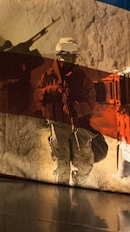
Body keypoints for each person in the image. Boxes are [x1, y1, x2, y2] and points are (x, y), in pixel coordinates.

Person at [39, 37, 98, 185]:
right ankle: (63, 196)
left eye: (69, 58)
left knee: (83, 165)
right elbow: (36, 95)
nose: (65, 61)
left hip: (79, 126)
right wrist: (50, 91)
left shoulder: (83, 78)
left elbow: (90, 101)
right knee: (61, 166)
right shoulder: (48, 76)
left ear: (74, 58)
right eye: (63, 57)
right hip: (58, 126)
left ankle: (79, 191)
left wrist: (76, 108)